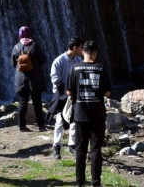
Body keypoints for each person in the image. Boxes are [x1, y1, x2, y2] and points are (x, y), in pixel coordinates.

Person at [66, 41, 112, 187]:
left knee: (80, 150)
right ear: (95, 53)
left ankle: (79, 183)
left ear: (82, 52)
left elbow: (69, 92)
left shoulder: (74, 68)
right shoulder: (100, 68)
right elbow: (107, 93)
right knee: (96, 149)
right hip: (97, 115)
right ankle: (96, 183)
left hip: (80, 114)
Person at [49, 37, 83, 159]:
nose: (82, 50)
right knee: (59, 121)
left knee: (74, 120)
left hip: (74, 95)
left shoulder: (78, 60)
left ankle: (72, 145)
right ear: (75, 48)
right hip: (61, 95)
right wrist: (67, 90)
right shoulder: (59, 61)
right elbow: (55, 79)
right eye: (80, 47)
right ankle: (56, 147)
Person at [12, 26, 47, 132]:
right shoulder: (34, 45)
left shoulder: (16, 47)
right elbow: (43, 59)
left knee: (23, 102)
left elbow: (13, 64)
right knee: (37, 102)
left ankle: (21, 126)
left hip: (21, 79)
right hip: (35, 78)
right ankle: (41, 126)